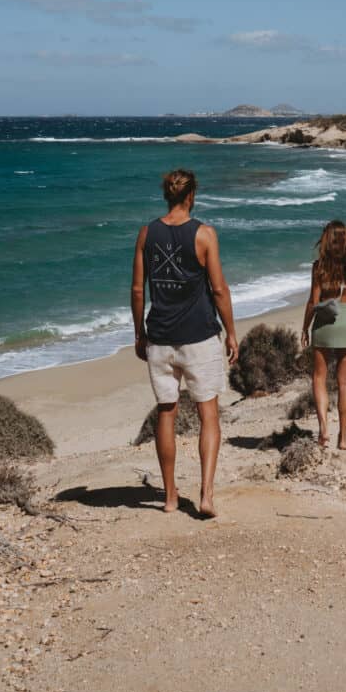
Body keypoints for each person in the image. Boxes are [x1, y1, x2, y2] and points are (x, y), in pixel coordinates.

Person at [131, 168, 239, 517]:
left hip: (160, 338)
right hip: (199, 336)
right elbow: (219, 289)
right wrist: (232, 332)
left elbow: (137, 290)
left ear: (167, 195)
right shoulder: (204, 234)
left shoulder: (147, 233)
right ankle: (206, 496)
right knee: (208, 413)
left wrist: (139, 333)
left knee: (166, 412)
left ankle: (170, 497)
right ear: (191, 196)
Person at [300, 220, 346, 450]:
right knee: (344, 381)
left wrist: (304, 327)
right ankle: (343, 438)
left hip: (324, 324)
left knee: (319, 377)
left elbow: (313, 301)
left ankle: (323, 428)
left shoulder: (318, 267)